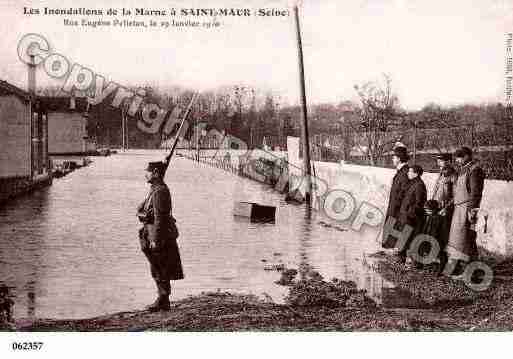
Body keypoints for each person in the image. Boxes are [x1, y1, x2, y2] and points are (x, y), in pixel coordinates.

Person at [137, 161, 184, 311]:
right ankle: (162, 298)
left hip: (158, 236)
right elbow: (144, 209)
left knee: (161, 267)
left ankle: (163, 299)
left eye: (149, 172)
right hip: (151, 233)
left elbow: (160, 218)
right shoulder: (155, 189)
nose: (146, 174)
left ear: (156, 173)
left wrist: (155, 240)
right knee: (157, 267)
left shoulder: (160, 191)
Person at [446, 147, 485, 275]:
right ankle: (458, 268)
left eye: (459, 157)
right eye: (457, 157)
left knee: (467, 240)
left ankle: (473, 272)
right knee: (457, 241)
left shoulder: (475, 170)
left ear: (467, 156)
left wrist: (471, 211)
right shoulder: (463, 170)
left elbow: (475, 193)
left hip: (466, 209)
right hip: (459, 209)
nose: (457, 160)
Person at [431, 153, 457, 272]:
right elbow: (436, 191)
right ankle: (439, 260)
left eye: (441, 160)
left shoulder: (453, 175)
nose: (438, 162)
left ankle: (446, 264)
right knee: (436, 235)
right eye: (438, 160)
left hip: (445, 211)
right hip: (437, 209)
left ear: (448, 161)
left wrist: (446, 208)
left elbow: (455, 196)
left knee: (444, 237)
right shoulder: (441, 174)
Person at [398, 164, 427, 266]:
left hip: (412, 217)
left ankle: (414, 261)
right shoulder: (413, 183)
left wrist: (410, 213)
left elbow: (419, 203)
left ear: (416, 174)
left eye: (410, 171)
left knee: (411, 238)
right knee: (404, 237)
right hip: (407, 215)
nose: (408, 173)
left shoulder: (419, 185)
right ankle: (402, 258)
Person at [382, 146, 410, 251]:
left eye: (394, 157)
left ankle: (396, 252)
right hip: (395, 207)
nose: (392, 159)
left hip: (398, 209)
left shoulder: (405, 172)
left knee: (396, 231)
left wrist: (397, 206)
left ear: (399, 158)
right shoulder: (401, 171)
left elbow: (403, 194)